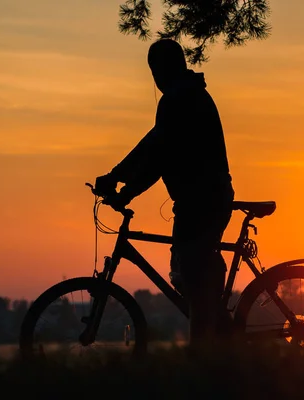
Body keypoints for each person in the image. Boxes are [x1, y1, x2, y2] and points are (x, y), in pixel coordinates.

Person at [95, 38, 234, 349]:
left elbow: (158, 157)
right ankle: (217, 330)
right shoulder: (186, 94)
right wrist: (118, 177)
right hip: (201, 200)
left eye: (155, 70)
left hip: (202, 202)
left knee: (193, 276)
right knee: (188, 270)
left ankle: (201, 355)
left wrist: (124, 190)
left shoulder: (178, 100)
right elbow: (153, 144)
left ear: (159, 70)